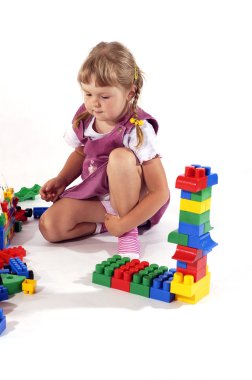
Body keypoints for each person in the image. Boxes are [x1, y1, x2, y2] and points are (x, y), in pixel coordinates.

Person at [39, 41, 170, 258]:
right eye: (88, 94)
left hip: (134, 203)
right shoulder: (87, 116)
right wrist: (62, 180)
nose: (94, 103)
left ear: (129, 93)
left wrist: (126, 222)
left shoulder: (137, 129)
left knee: (119, 157)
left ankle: (128, 231)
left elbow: (160, 192)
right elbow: (82, 152)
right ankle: (108, 224)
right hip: (99, 197)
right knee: (50, 226)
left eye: (104, 96)